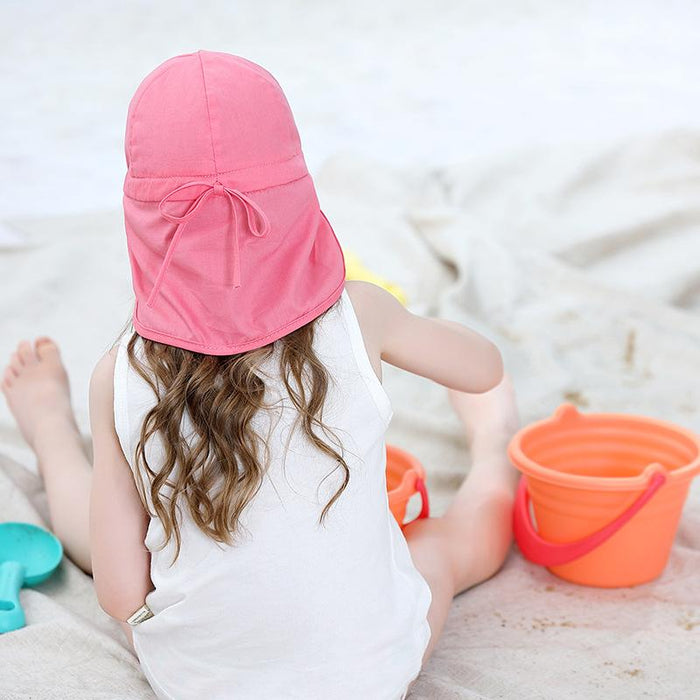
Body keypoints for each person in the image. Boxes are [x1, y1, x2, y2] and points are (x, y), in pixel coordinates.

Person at [0, 50, 520, 700]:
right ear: (296, 202)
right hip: (369, 676)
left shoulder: (122, 374)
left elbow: (120, 591)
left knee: (117, 529)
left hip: (196, 682)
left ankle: (51, 433)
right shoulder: (360, 315)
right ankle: (495, 446)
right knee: (444, 546)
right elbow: (483, 367)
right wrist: (403, 331)